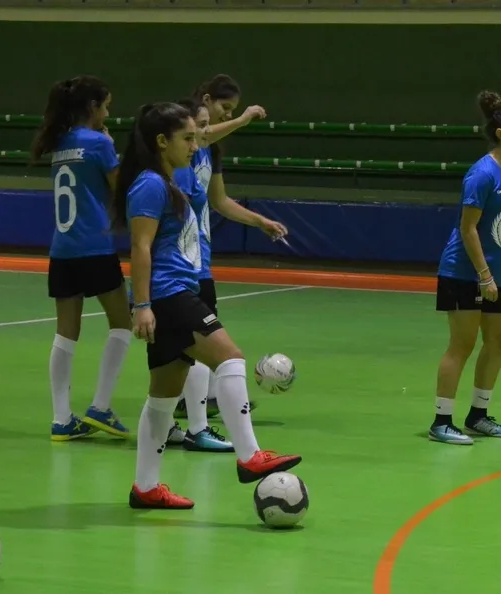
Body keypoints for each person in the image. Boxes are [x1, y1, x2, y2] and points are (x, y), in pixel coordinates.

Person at [110, 102, 301, 509]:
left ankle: (145, 488)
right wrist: (142, 305)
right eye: (188, 138)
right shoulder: (150, 185)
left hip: (176, 290)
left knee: (163, 397)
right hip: (168, 294)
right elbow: (140, 247)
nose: (195, 145)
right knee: (230, 357)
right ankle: (249, 456)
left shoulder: (169, 180)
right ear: (162, 142)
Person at [164, 95, 287, 452]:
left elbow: (220, 201)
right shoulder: (171, 172)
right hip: (183, 268)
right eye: (198, 128)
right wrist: (244, 119)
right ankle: (202, 428)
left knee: (177, 354)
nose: (204, 134)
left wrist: (259, 221)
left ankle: (172, 426)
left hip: (197, 262)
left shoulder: (203, 157)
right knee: (203, 348)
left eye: (206, 127)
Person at [30, 75, 132, 442]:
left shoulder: (59, 142)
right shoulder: (98, 143)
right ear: (92, 107)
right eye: (106, 107)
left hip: (62, 250)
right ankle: (100, 406)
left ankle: (62, 419)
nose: (108, 114)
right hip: (95, 247)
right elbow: (121, 189)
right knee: (122, 324)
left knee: (65, 334)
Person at [430, 90, 501, 446]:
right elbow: (468, 228)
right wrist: (485, 275)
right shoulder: (482, 174)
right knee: (462, 344)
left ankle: (478, 415)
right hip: (463, 273)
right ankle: (442, 421)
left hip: (494, 274)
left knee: (499, 341)